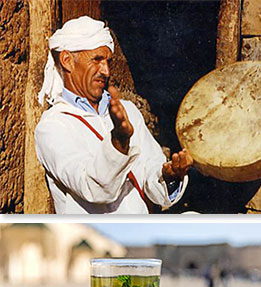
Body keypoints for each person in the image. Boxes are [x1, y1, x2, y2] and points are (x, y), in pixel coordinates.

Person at [35, 16, 193, 214]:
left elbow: (149, 173)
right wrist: (118, 142)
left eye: (108, 61)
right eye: (97, 60)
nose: (106, 70)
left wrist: (168, 176)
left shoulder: (127, 111)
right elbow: (91, 187)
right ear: (67, 61)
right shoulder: (53, 127)